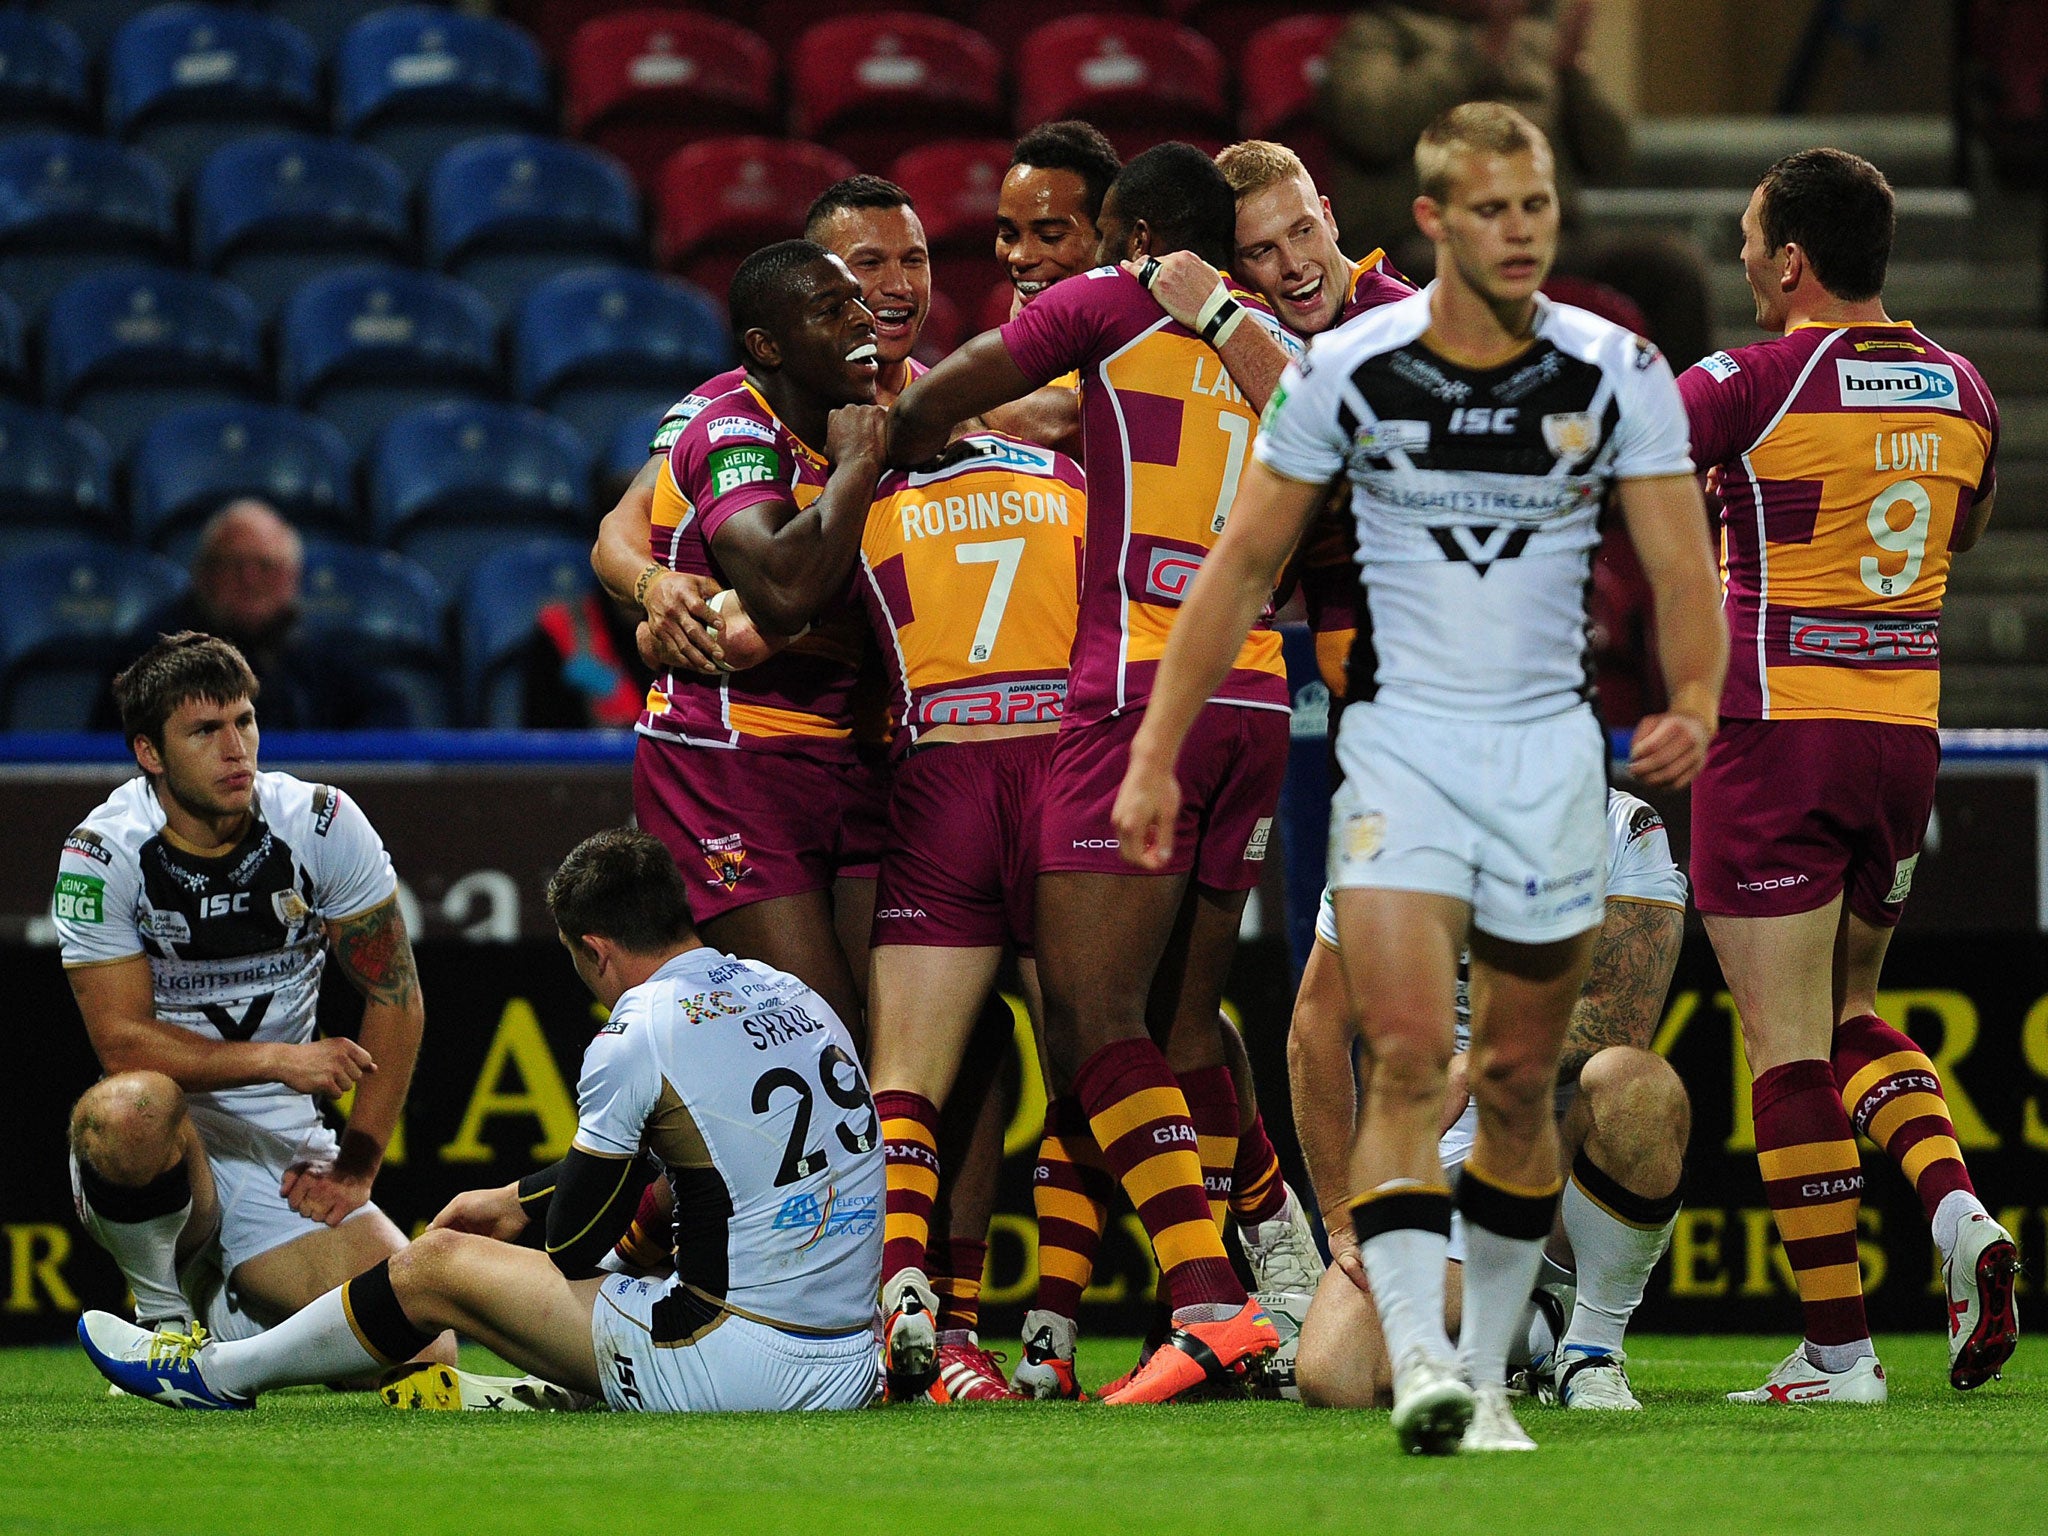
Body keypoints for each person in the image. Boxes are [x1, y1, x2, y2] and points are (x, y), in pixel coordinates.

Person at [1109, 103, 1725, 1452]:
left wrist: (1693, 697)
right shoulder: (1344, 372)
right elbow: (1237, 569)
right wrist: (1155, 749)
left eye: (1536, 209)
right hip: (1401, 753)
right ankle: (1440, 1364)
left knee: (1512, 1078)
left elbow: (1683, 561)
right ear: (1433, 220)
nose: (1517, 233)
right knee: (1394, 1054)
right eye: (1489, 209)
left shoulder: (1613, 366)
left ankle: (1503, 1363)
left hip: (1550, 754)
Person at [892, 142, 1303, 1405]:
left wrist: (902, 429)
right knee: (1183, 1028)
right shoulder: (1276, 348)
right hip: (1259, 699)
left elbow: (940, 395)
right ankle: (1233, 1276)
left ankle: (1210, 1297)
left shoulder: (1107, 305)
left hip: (1134, 692)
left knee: (1084, 1017)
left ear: (1129, 235)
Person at [77, 828, 885, 1414]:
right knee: (648, 1236)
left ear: (595, 950)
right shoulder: (790, 992)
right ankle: (552, 1388)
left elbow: (572, 1245)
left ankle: (216, 1374)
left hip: (739, 1366)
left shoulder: (640, 1031)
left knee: (437, 1268)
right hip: (849, 1362)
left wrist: (522, 1214)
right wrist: (515, 1195)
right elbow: (716, 1155)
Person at [1679, 147, 2013, 1405]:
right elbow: (1961, 526)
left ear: (1788, 262)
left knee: (1779, 1049)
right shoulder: (1960, 386)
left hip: (1772, 730)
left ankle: (1837, 1353)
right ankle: (1954, 1211)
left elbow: (1615, 460)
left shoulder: (1752, 377)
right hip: (1901, 739)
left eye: (1752, 243)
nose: (1746, 264)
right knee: (1845, 1010)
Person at [57, 632, 441, 1370]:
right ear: (150, 754)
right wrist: (279, 1059)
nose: (237, 748)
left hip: (281, 1145)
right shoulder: (101, 852)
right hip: (167, 1135)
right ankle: (163, 1318)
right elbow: (122, 1043)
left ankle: (229, 1319)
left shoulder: (321, 822)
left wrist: (357, 1165)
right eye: (205, 730)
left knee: (422, 1351)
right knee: (127, 1106)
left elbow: (397, 997)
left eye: (244, 720)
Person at [1290, 788, 1689, 1411]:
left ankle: (1592, 1350)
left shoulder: (1619, 823)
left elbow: (1621, 1016)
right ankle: (1537, 1327)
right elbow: (1315, 1027)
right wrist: (1342, 1217)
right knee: (1335, 1374)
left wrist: (1470, 1069)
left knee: (1636, 1085)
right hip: (1450, 1148)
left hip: (1561, 1135)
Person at [623, 240, 888, 1039]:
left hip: (854, 760)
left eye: (857, 302)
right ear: (766, 348)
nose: (861, 318)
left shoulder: (879, 418)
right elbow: (779, 585)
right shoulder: (733, 429)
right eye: (830, 308)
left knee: (920, 1032)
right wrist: (858, 472)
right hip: (728, 764)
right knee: (822, 1037)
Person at [1314, 0, 1711, 370]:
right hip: (1423, 242)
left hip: (1547, 238)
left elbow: (1613, 161)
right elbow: (1372, 126)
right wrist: (1479, 50)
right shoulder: (1379, 33)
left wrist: (1571, 70)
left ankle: (1684, 422)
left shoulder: (1535, 38)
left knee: (1671, 269)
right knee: (1431, 270)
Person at [93, 501, 409, 731]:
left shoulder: (314, 649)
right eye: (234, 564)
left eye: (266, 566)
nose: (250, 579)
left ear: (291, 579)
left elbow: (388, 713)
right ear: (203, 574)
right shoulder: (155, 648)